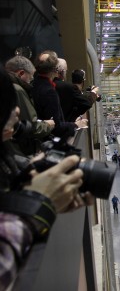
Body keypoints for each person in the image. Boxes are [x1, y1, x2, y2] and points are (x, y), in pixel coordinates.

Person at [0, 66, 93, 288]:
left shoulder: (6, 153)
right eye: (8, 106)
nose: (17, 112)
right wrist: (38, 207)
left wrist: (34, 168)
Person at [4, 55, 54, 156]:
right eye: (30, 78)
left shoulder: (5, 85)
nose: (31, 81)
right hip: (19, 151)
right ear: (21, 73)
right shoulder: (17, 89)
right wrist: (48, 125)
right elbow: (32, 126)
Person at [31, 51, 87, 138]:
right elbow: (56, 127)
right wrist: (76, 124)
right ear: (55, 70)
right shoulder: (49, 91)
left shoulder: (34, 84)